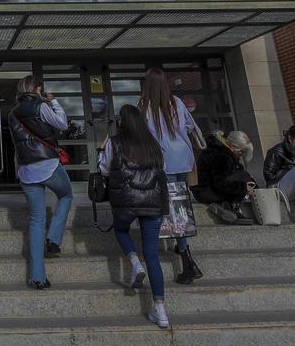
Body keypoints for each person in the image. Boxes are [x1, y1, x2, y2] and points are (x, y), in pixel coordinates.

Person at [99, 104, 172, 329]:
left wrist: (103, 151)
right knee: (153, 255)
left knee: (120, 229)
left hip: (126, 202)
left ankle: (133, 261)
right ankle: (160, 309)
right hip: (153, 202)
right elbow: (164, 169)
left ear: (122, 122)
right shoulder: (154, 145)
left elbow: (103, 170)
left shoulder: (114, 142)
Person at [138, 68, 203, 283]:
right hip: (182, 158)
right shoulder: (176, 101)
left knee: (174, 211)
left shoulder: (144, 105)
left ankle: (187, 259)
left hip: (162, 162)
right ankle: (182, 248)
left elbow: (143, 136)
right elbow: (187, 126)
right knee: (179, 205)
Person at [7, 74, 71, 290]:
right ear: (36, 89)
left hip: (26, 169)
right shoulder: (39, 106)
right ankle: (53, 238)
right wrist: (53, 101)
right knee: (66, 195)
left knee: (36, 220)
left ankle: (38, 277)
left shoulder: (12, 114)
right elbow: (62, 123)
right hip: (48, 164)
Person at [193, 131, 257, 224]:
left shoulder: (219, 151)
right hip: (207, 192)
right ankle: (232, 207)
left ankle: (225, 206)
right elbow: (220, 183)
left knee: (243, 176)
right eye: (241, 151)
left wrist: (250, 184)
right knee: (243, 177)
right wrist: (243, 187)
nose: (242, 154)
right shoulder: (222, 156)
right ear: (234, 146)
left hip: (202, 191)